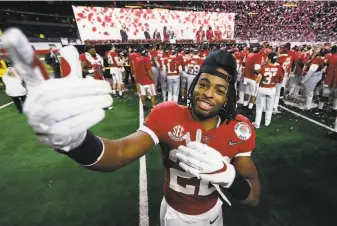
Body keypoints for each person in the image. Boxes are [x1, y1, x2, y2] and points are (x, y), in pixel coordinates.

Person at [3, 28, 260, 226]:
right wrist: (75, 143)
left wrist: (229, 177)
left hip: (212, 214)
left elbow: (253, 196)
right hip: (173, 212)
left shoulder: (240, 128)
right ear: (193, 86)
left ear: (229, 97)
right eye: (203, 84)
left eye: (219, 90)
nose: (207, 94)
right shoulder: (166, 114)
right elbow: (117, 153)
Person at [253, 53, 284, 128]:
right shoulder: (279, 68)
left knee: (259, 108)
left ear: (269, 59)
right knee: (269, 108)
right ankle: (267, 123)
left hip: (262, 89)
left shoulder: (263, 67)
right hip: (272, 89)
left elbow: (258, 80)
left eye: (267, 58)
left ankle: (257, 124)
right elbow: (280, 80)